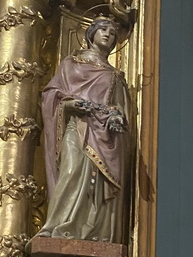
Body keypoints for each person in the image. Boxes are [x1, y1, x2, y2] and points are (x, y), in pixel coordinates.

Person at [38, 16, 130, 242]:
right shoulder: (71, 64)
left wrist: (116, 117)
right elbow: (51, 95)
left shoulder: (115, 76)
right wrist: (69, 104)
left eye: (112, 32)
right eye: (103, 30)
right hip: (76, 126)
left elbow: (120, 108)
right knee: (71, 172)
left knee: (96, 183)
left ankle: (92, 232)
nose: (108, 34)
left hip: (103, 136)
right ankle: (59, 227)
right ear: (91, 34)